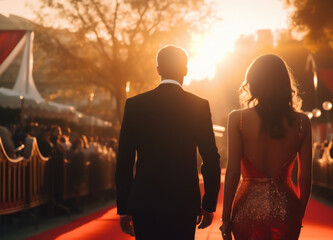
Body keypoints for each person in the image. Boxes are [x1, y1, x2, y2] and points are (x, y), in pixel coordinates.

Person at [116, 45, 221, 240]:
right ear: (186, 71)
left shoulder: (135, 105)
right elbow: (211, 158)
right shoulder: (198, 105)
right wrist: (208, 203)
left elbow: (124, 160)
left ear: (158, 70)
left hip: (145, 201)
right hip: (183, 201)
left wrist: (124, 206)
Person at [220, 54, 312, 240]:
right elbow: (305, 176)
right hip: (286, 208)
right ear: (285, 83)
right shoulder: (302, 122)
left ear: (253, 82)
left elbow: (232, 172)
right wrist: (298, 213)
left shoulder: (238, 119)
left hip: (247, 208)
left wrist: (226, 218)